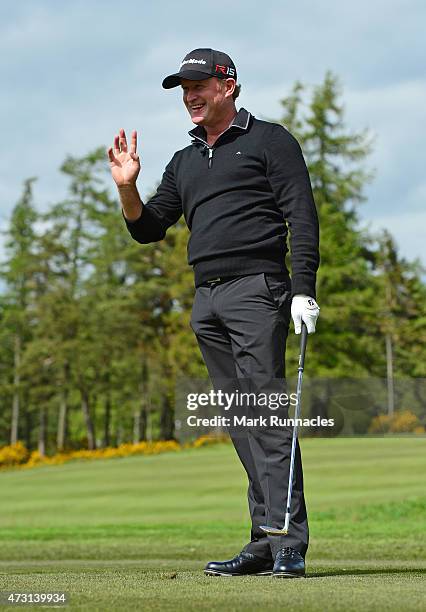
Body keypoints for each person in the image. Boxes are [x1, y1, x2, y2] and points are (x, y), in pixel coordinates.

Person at [107, 48, 320, 578]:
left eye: (199, 85)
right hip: (207, 299)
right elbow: (148, 228)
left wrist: (302, 289)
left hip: (257, 289)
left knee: (266, 416)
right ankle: (263, 539)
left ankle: (288, 541)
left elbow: (302, 216)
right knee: (239, 420)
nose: (189, 96)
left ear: (228, 86)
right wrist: (128, 187)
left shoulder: (270, 141)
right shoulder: (184, 162)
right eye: (183, 88)